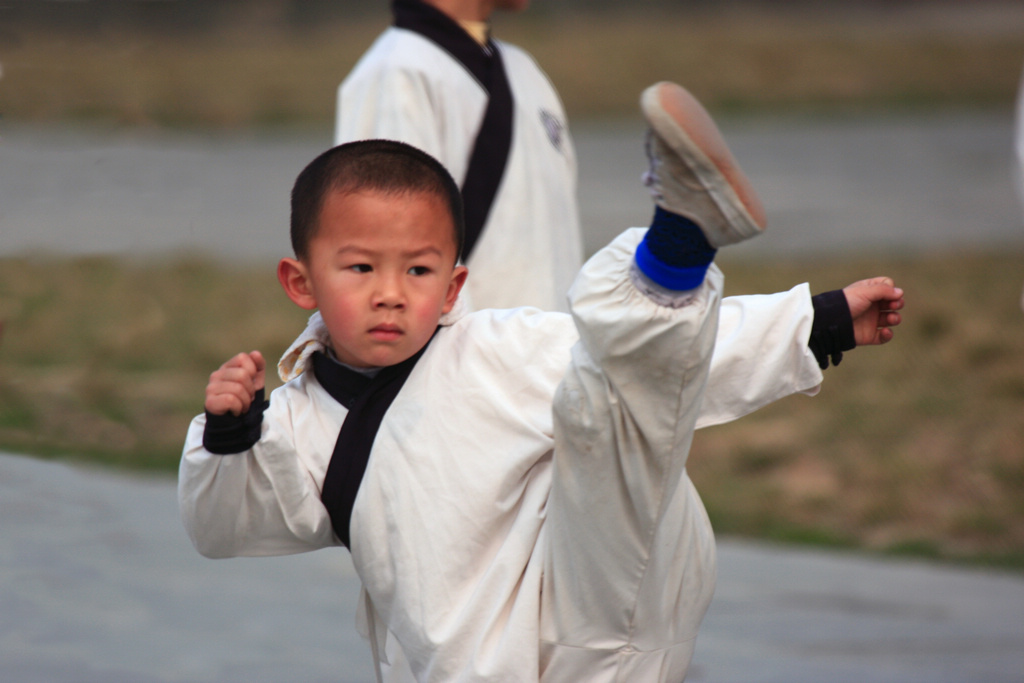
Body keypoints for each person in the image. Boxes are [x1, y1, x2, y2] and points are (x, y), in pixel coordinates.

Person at [180, 82, 904, 682]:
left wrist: (819, 321)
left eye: (420, 269)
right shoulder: (295, 423)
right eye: (362, 268)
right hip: (475, 666)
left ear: (456, 284)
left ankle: (678, 243)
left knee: (602, 395)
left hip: (602, 615)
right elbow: (224, 528)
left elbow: (678, 366)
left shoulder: (499, 348)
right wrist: (229, 435)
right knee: (607, 385)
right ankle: (672, 255)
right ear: (299, 281)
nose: (392, 292)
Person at [334, 0, 583, 312]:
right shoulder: (398, 72)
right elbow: (391, 253)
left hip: (554, 348)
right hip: (471, 355)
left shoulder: (524, 70)